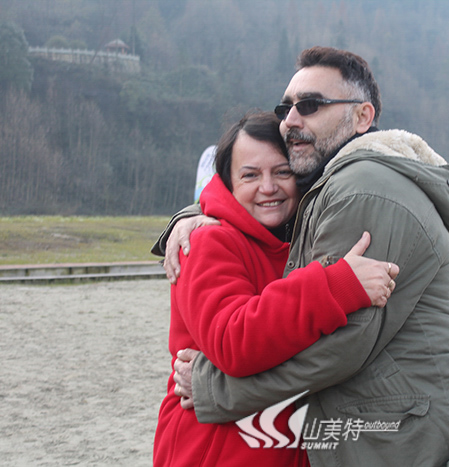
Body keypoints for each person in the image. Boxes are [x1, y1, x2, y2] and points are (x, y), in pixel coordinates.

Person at [159, 47, 449, 466]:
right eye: (286, 107)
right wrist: (193, 214)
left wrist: (213, 388)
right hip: (233, 445)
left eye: (311, 105)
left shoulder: (360, 188)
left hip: (397, 437)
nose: (291, 119)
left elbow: (341, 343)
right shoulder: (234, 232)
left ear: (362, 116)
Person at [153, 111, 400, 466]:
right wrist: (337, 285)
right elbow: (233, 341)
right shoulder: (206, 240)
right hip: (216, 449)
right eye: (250, 175)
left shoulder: (308, 241)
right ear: (228, 182)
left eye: (282, 172)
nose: (267, 187)